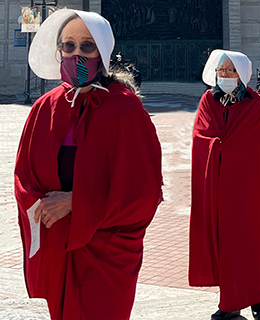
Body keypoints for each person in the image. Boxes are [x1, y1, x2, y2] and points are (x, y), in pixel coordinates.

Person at [14, 9, 163, 320]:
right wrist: (44, 207)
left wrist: (77, 204)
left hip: (104, 253)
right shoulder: (45, 107)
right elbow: (23, 176)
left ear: (103, 53)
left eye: (87, 46)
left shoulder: (125, 109)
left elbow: (143, 192)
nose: (76, 54)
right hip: (56, 244)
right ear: (59, 51)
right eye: (68, 46)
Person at [189, 49, 260, 320]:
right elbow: (201, 137)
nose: (226, 75)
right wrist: (217, 148)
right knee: (227, 245)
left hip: (248, 190)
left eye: (231, 71)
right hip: (219, 187)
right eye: (222, 71)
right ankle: (232, 302)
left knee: (251, 243)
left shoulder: (255, 104)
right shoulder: (209, 100)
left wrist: (228, 149)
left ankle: (256, 300)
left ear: (242, 75)